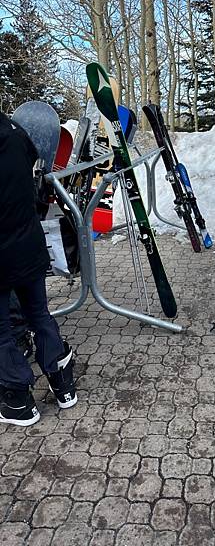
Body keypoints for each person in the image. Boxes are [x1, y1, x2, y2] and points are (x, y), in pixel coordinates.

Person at [0, 111, 77, 426]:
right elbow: (36, 160)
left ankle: (18, 403)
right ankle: (63, 387)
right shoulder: (14, 129)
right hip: (29, 244)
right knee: (40, 315)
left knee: (1, 330)